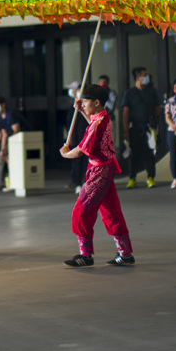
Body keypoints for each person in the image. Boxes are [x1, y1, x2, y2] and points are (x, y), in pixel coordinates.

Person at [60, 84, 135, 267]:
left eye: (85, 101)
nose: (82, 103)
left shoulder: (98, 123)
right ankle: (125, 253)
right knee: (111, 211)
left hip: (100, 172)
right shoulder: (104, 117)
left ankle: (85, 255)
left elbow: (79, 151)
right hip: (105, 168)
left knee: (81, 210)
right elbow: (93, 123)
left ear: (97, 102)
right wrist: (82, 111)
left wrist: (64, 153)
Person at [121, 67, 159, 188]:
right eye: (144, 75)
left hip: (148, 128)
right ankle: (132, 178)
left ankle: (150, 178)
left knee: (149, 154)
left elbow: (157, 108)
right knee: (134, 154)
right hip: (135, 128)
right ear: (138, 78)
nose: (147, 77)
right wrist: (126, 130)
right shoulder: (130, 93)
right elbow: (125, 112)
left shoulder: (152, 91)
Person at [65, 82, 88, 190]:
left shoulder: (86, 106)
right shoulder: (73, 107)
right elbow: (71, 124)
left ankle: (85, 182)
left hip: (85, 137)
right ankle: (76, 181)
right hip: (77, 138)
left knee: (86, 161)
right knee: (77, 160)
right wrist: (71, 138)